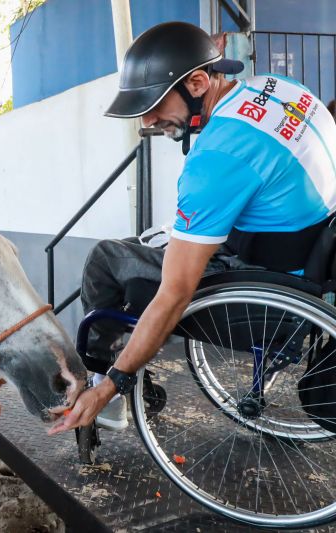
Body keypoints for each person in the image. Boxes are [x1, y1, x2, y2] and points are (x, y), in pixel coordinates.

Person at [48, 21, 336, 434]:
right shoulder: (284, 89)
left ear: (198, 82)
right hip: (304, 258)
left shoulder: (215, 159)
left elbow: (175, 293)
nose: (149, 119)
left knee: (107, 258)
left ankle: (105, 382)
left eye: (155, 103)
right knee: (154, 240)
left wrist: (113, 384)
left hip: (263, 295)